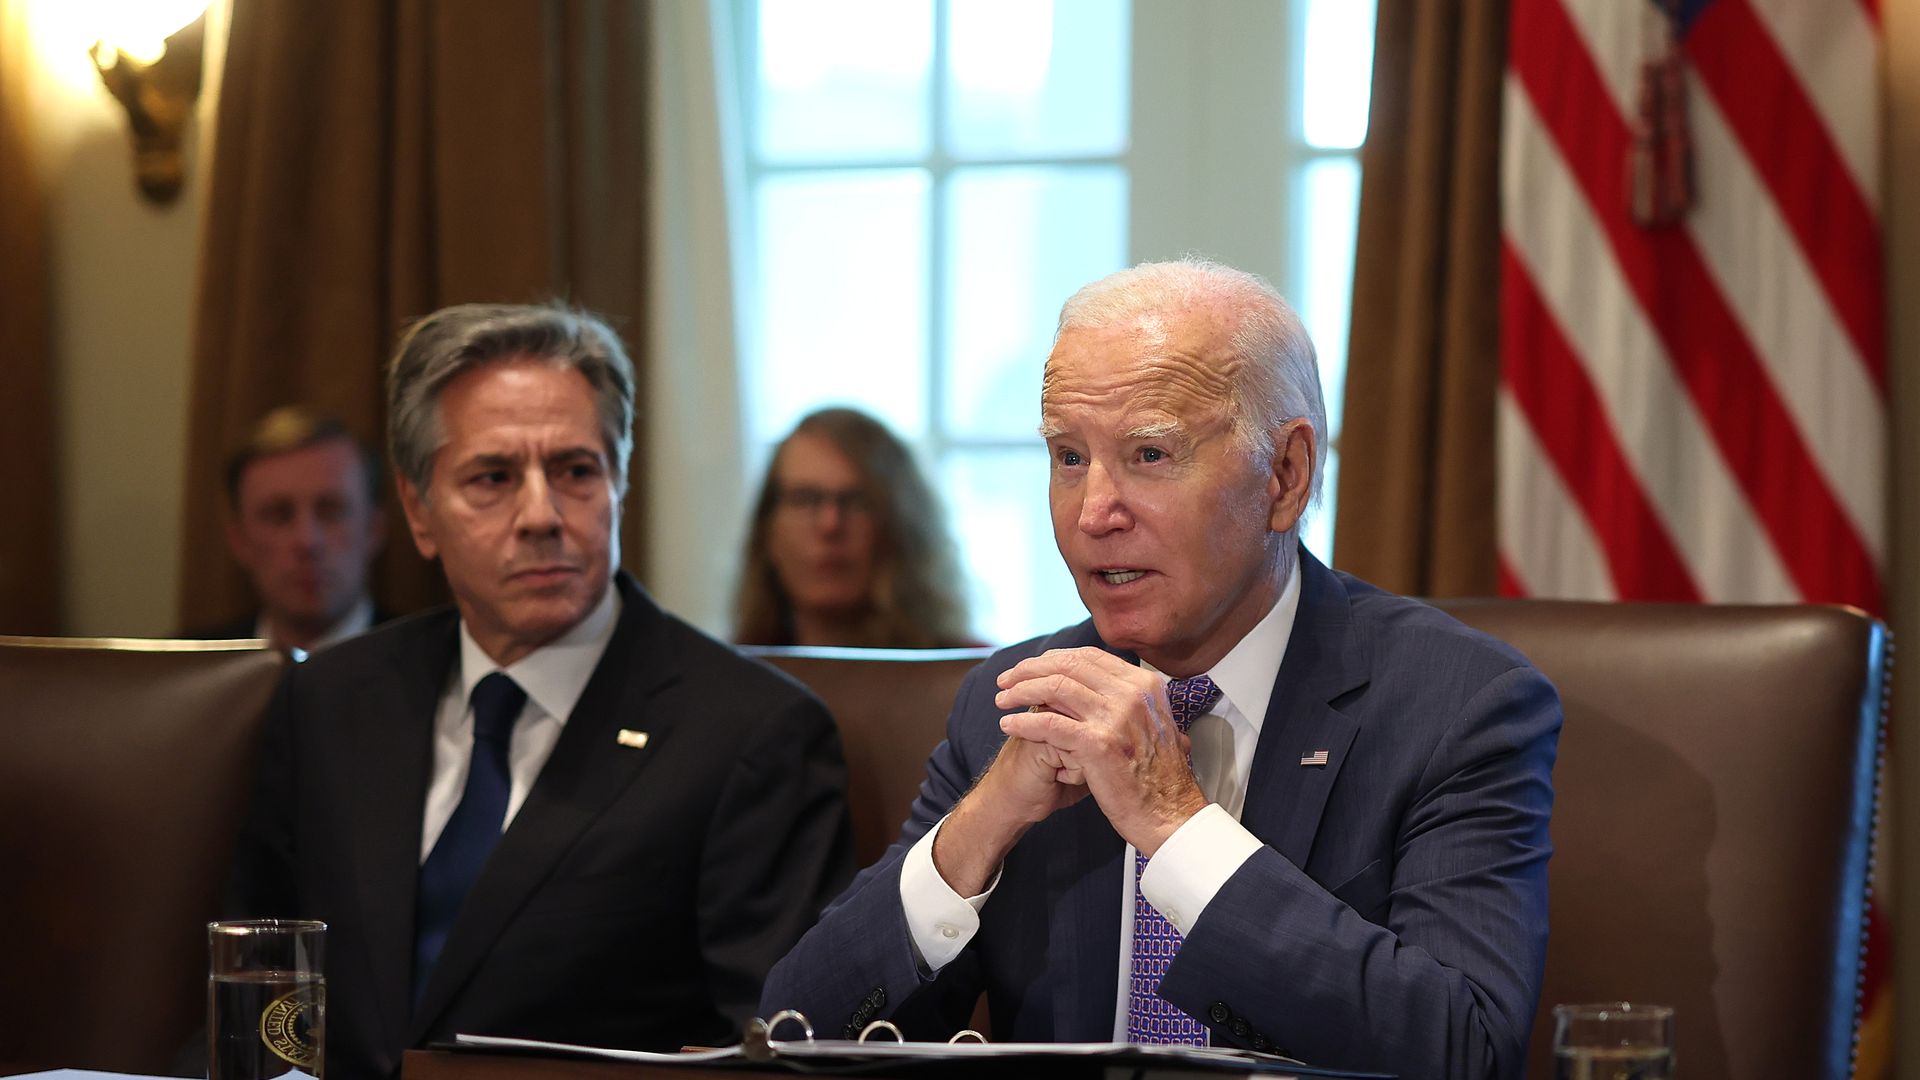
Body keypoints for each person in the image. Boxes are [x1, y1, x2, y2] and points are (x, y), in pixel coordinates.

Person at [760, 260, 1560, 1080]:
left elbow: (1467, 1051)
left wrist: (1175, 824)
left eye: (1148, 454)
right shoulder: (1015, 701)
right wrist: (983, 826)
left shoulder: (1456, 705)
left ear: (1285, 477)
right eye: (1068, 457)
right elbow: (793, 1031)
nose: (1093, 512)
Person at [227, 303, 857, 1080]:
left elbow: (770, 1050)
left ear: (620, 483)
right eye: (493, 478)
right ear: (419, 511)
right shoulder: (330, 698)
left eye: (575, 471)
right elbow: (255, 977)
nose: (541, 515)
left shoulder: (751, 734)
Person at [734, 407, 975, 649]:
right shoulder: (719, 676)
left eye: (857, 501)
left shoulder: (981, 678)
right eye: (804, 499)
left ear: (901, 524)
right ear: (768, 526)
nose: (830, 525)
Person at [185, 407, 392, 652]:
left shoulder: (437, 668)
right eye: (278, 517)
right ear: (239, 539)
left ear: (374, 528)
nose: (307, 542)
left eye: (330, 513)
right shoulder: (185, 673)